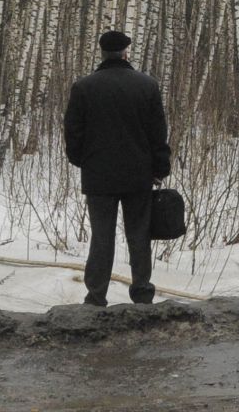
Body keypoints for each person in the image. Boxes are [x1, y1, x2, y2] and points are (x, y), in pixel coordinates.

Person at [63, 30, 171, 306]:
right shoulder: (147, 86)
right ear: (126, 53)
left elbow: (73, 132)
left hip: (98, 176)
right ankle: (142, 291)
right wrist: (160, 167)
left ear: (102, 53)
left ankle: (96, 295)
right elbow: (158, 132)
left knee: (101, 237)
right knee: (139, 235)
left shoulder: (84, 87)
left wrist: (82, 160)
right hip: (139, 174)